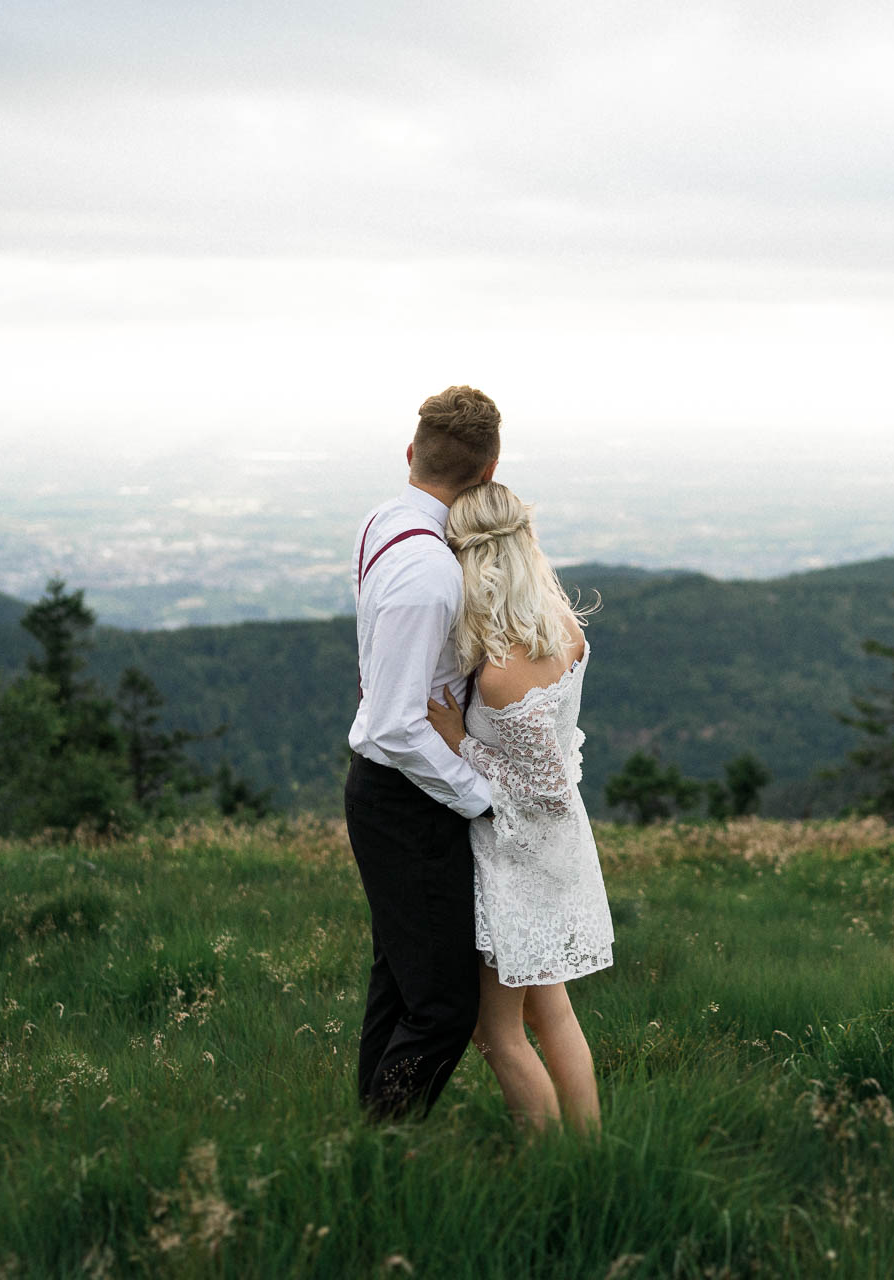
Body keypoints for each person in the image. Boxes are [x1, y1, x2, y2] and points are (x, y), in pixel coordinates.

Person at [423, 481, 611, 1135]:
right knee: (550, 1009)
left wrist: (457, 739)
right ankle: (590, 1151)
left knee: (496, 1031)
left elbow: (542, 785)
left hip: (521, 857)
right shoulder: (565, 627)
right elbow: (563, 755)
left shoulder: (504, 673)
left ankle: (555, 1165)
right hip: (559, 847)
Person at [344, 385, 501, 1120]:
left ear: (412, 454)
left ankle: (368, 1138)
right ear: (489, 469)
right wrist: (479, 795)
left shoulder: (384, 520)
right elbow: (397, 726)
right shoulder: (430, 572)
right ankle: (385, 1135)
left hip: (390, 792)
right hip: (411, 796)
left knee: (399, 982)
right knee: (442, 1007)